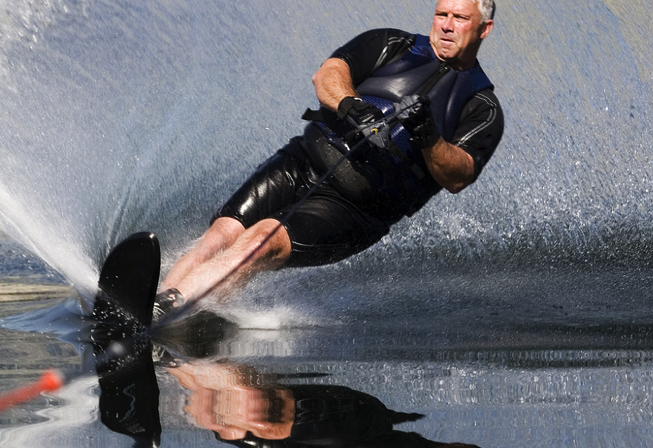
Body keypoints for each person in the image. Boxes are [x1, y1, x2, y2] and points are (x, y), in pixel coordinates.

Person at [154, 0, 503, 317]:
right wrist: (352, 106)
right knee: (221, 234)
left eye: (459, 18)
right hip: (303, 161)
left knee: (263, 241)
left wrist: (428, 136)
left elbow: (458, 175)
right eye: (441, 14)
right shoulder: (390, 44)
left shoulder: (482, 107)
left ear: (484, 29)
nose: (445, 25)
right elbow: (329, 73)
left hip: (355, 210)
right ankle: (158, 302)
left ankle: (176, 307)